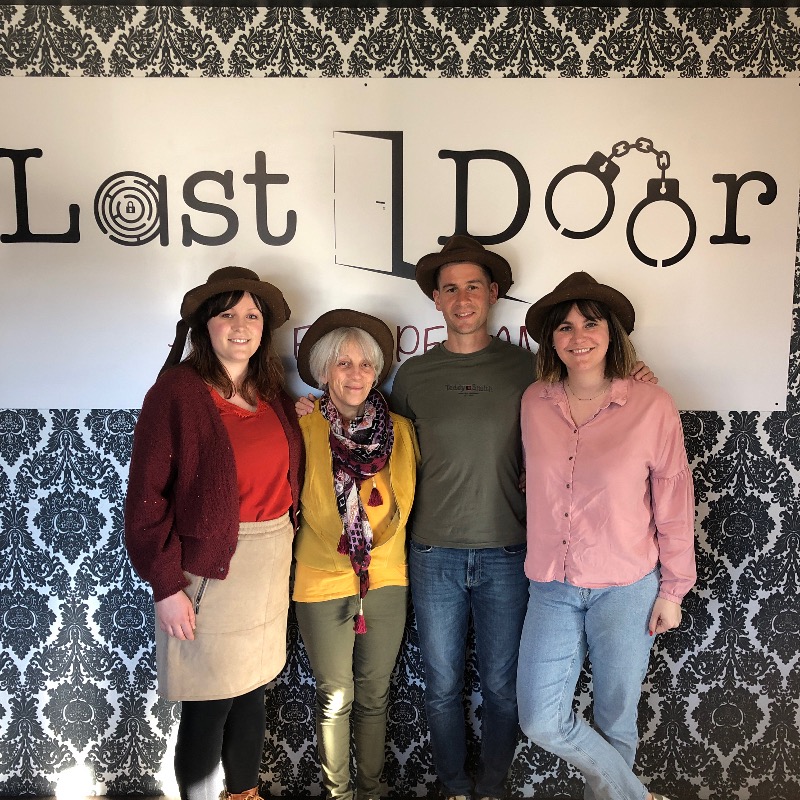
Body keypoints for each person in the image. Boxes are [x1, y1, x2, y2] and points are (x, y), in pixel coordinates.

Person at [389, 236, 658, 800]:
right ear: (436, 300)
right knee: (440, 684)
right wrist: (315, 406)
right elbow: (384, 442)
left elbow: (589, 401)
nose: (462, 298)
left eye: (473, 286)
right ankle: (454, 786)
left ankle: (492, 787)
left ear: (493, 294)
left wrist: (634, 378)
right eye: (450, 288)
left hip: (511, 551)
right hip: (432, 550)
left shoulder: (529, 374)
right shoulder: (413, 376)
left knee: (503, 686)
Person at [124, 266, 305, 800]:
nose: (241, 326)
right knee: (209, 703)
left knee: (251, 692)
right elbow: (146, 496)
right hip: (209, 571)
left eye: (252, 315)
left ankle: (244, 795)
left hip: (269, 562)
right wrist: (165, 586)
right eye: (228, 314)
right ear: (206, 325)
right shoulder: (177, 392)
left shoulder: (269, 390)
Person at [516, 271, 696, 800]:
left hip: (627, 585)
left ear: (611, 332)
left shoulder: (651, 404)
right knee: (540, 718)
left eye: (590, 324)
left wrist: (673, 590)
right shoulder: (534, 401)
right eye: (565, 327)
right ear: (551, 340)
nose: (579, 337)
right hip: (552, 585)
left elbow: (674, 499)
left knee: (617, 718)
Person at [293, 309, 419, 800]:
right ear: (324, 372)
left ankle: (371, 791)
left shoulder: (401, 431)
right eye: (342, 363)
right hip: (320, 577)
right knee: (334, 697)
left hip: (386, 578)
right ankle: (338, 795)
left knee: (374, 694)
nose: (355, 374)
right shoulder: (302, 426)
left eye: (365, 364)